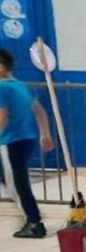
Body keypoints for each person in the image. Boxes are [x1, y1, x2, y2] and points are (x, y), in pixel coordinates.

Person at [0, 47, 55, 238]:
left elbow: (2, 115)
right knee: (14, 180)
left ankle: (33, 222)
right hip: (28, 138)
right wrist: (45, 134)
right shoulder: (21, 85)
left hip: (10, 140)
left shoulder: (2, 88)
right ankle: (32, 216)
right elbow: (39, 110)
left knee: (17, 183)